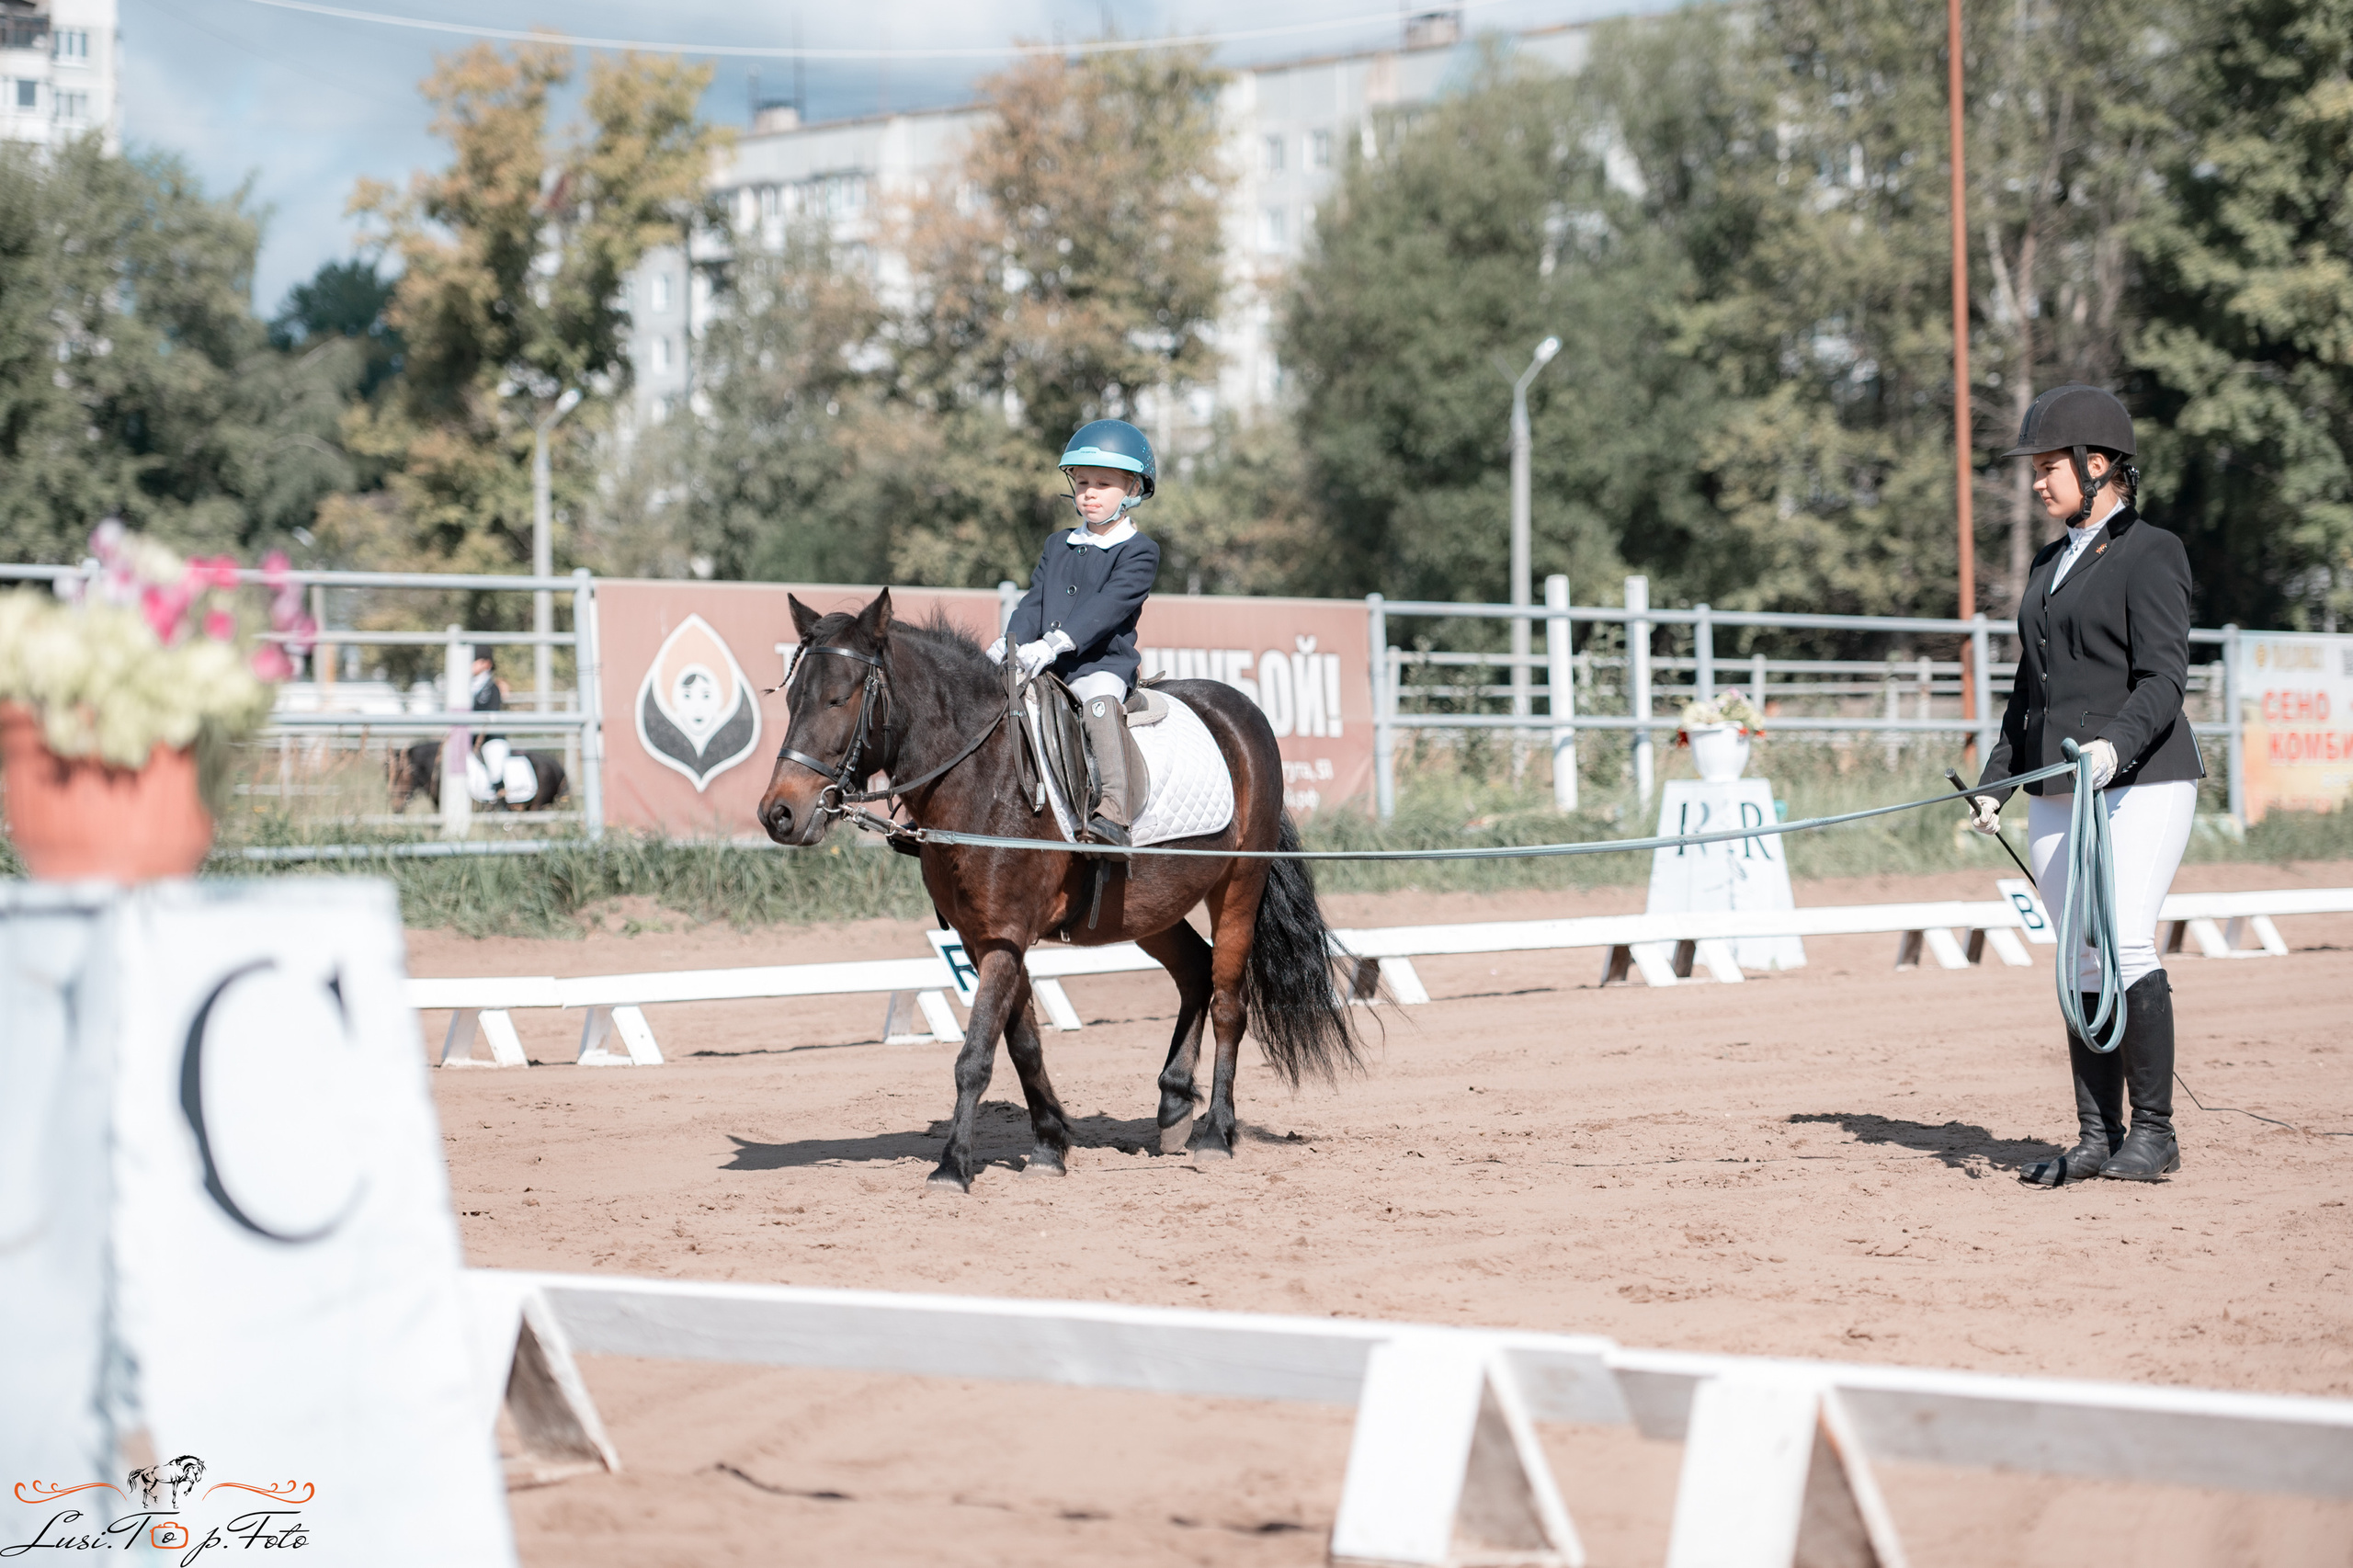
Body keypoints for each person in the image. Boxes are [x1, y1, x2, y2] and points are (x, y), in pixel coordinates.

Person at [1969, 384, 2203, 1186]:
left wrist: (2113, 746)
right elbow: (2027, 692)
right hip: (2060, 786)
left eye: (2049, 467)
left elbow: (2166, 675)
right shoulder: (2048, 562)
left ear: (2096, 464)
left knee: (2126, 938)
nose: (2038, 482)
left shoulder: (2153, 550)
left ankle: (2156, 1133)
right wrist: (1996, 783)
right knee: (2078, 960)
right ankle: (2098, 1135)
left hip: (2142, 777)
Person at [988, 419, 1163, 846]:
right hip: (1045, 663)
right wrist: (1010, 644)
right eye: (1082, 482)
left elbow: (1108, 608)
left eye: (1103, 484)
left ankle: (1114, 813)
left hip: (1100, 665)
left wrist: (1055, 644)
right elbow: (1034, 602)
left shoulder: (1140, 551)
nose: (1089, 492)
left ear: (1133, 490)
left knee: (1099, 703)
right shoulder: (1057, 543)